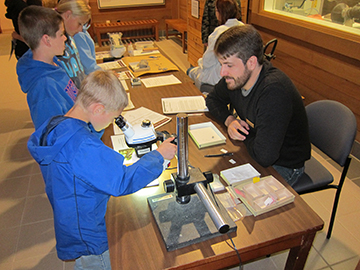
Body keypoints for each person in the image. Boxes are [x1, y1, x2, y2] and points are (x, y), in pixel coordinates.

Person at [27, 69, 177, 270]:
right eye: (112, 118)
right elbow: (121, 182)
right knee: (96, 264)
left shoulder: (56, 124)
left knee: (84, 262)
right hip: (88, 230)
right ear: (98, 109)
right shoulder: (82, 147)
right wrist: (158, 155)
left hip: (71, 214)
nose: (110, 124)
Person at [205, 25, 311, 186]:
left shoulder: (273, 92)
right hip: (258, 149)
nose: (223, 72)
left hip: (284, 165)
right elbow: (212, 99)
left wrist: (243, 133)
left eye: (229, 65)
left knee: (230, 197)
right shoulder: (237, 78)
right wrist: (230, 121)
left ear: (251, 62)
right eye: (222, 65)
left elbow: (264, 157)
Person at [16, 5, 78, 130]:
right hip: (75, 141)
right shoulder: (44, 88)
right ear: (47, 40)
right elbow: (54, 136)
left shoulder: (53, 62)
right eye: (61, 34)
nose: (65, 38)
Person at [188, 0, 243, 90]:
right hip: (238, 75)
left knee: (190, 71)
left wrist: (200, 62)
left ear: (219, 12)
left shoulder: (219, 32)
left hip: (219, 77)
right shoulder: (244, 29)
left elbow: (207, 62)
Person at [55, 0, 91, 88]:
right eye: (79, 24)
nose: (80, 30)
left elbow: (79, 74)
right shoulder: (55, 44)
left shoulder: (70, 37)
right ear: (67, 15)